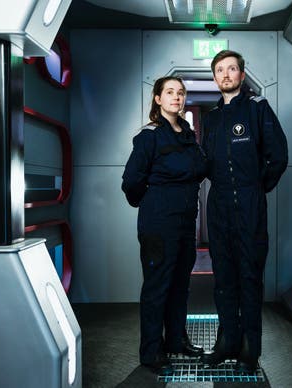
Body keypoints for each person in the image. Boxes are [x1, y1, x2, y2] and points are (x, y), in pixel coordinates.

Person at [200, 50, 288, 374]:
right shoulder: (210, 119)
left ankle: (250, 347)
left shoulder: (257, 109)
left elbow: (279, 155)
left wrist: (257, 188)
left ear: (241, 74)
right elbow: (206, 162)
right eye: (220, 70)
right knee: (223, 278)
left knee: (250, 277)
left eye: (232, 69)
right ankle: (227, 342)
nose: (226, 74)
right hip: (219, 206)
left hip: (250, 205)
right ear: (215, 77)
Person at [122, 76, 206, 375]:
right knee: (157, 287)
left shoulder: (187, 134)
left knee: (180, 286)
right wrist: (152, 202)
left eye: (181, 93)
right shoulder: (149, 136)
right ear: (158, 99)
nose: (176, 97)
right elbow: (131, 181)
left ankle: (175, 340)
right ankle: (151, 351)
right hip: (159, 223)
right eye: (169, 92)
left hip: (185, 223)